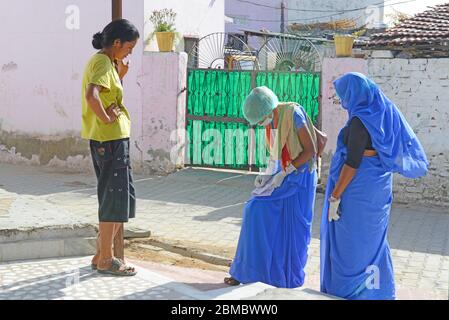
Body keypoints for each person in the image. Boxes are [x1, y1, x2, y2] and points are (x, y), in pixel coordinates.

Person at [320, 72, 429, 299]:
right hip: (378, 187)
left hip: (359, 190)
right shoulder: (382, 114)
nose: (341, 100)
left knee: (352, 241)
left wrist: (335, 196)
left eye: (343, 95)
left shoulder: (360, 121)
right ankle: (378, 291)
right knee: (374, 241)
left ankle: (350, 291)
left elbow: (353, 163)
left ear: (354, 94)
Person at [224, 86, 326, 288]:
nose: (262, 124)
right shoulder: (269, 123)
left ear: (269, 110)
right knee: (253, 209)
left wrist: (284, 173)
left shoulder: (293, 113)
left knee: (292, 228)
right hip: (282, 176)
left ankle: (286, 276)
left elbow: (310, 150)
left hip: (301, 178)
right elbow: (275, 156)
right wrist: (268, 176)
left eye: (262, 120)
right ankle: (245, 271)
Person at [81, 19, 140, 276]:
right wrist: (106, 118)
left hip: (114, 140)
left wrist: (120, 76)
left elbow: (105, 95)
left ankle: (101, 254)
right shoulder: (102, 62)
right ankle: (106, 258)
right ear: (116, 43)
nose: (129, 52)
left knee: (121, 198)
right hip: (110, 140)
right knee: (112, 198)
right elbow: (91, 95)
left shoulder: (108, 64)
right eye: (129, 46)